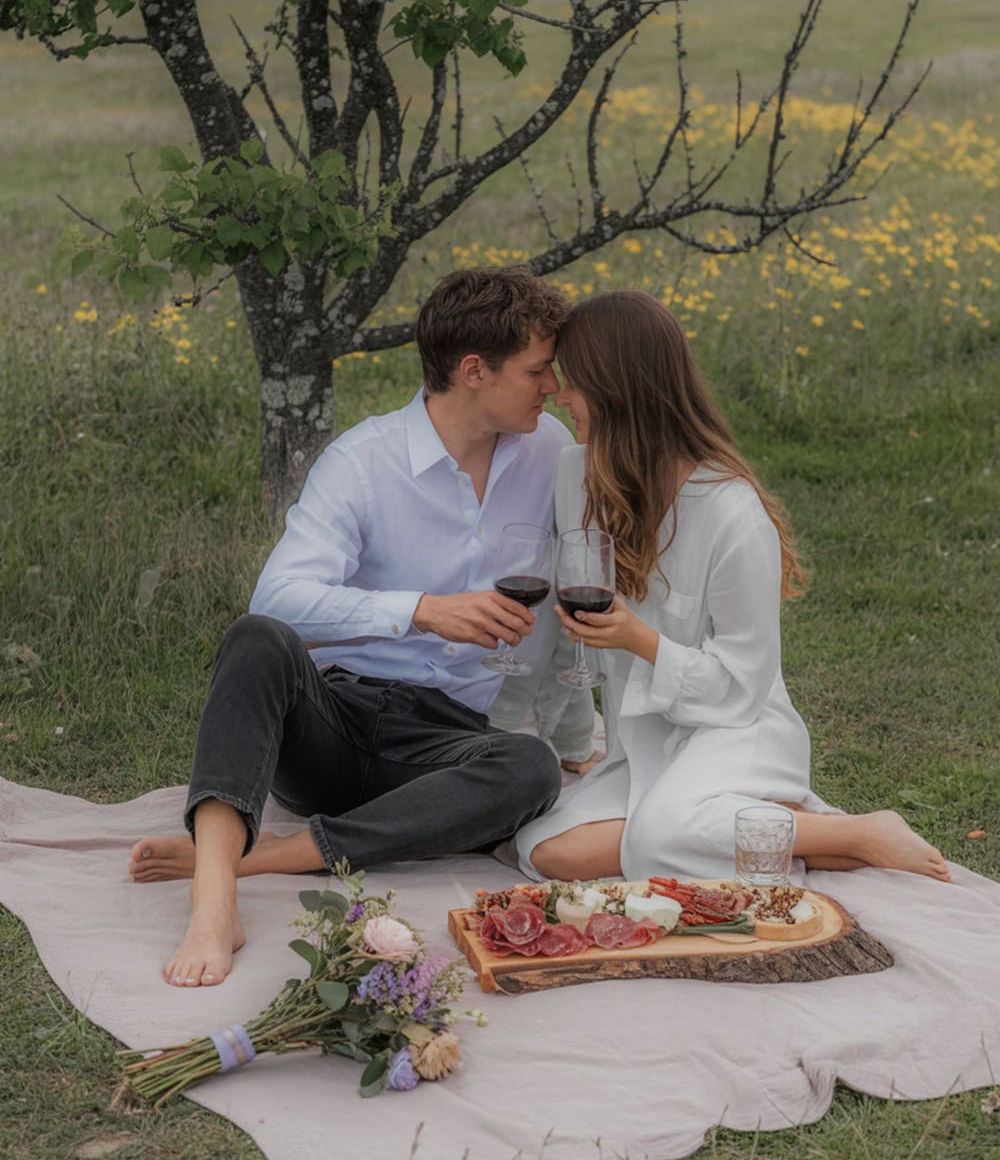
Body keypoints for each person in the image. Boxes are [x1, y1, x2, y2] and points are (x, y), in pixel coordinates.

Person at [129, 269, 593, 987]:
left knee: (529, 768)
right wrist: (422, 609)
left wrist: (574, 736)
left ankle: (268, 855)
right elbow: (279, 597)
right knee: (257, 637)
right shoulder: (363, 462)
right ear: (474, 371)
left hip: (449, 745)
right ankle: (214, 898)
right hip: (338, 723)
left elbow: (583, 588)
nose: (552, 386)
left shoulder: (551, 450)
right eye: (537, 370)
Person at [515, 291, 951, 886]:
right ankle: (767, 828)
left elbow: (743, 687)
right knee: (545, 850)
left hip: (737, 728)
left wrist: (641, 640)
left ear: (621, 389)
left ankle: (856, 831)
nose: (560, 398)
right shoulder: (576, 475)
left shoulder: (731, 511)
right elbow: (573, 642)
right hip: (644, 736)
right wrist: (570, 738)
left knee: (659, 838)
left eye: (575, 383)